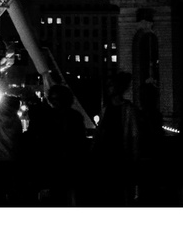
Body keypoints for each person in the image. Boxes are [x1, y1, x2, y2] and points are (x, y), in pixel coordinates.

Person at [24, 84, 87, 205]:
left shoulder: (47, 116)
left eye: (55, 99)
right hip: (59, 163)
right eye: (52, 99)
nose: (53, 102)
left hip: (60, 163)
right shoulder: (72, 116)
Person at [91, 72, 140, 205]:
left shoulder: (127, 109)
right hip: (107, 156)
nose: (108, 89)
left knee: (119, 192)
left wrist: (133, 157)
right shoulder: (107, 108)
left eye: (111, 85)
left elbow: (134, 135)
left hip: (120, 156)